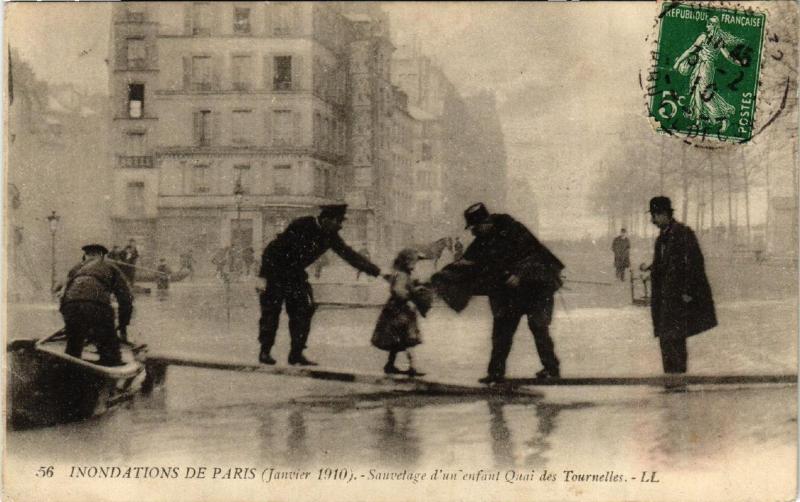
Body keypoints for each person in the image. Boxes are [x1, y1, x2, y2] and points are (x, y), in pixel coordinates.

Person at [439, 202, 564, 384]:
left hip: (537, 287)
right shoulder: (481, 241)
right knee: (502, 330)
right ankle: (495, 373)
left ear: (487, 222)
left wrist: (519, 273)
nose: (473, 232)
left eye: (475, 227)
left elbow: (535, 254)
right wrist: (446, 273)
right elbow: (467, 261)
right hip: (510, 294)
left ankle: (552, 369)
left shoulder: (514, 230)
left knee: (538, 327)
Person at [258, 204, 381, 365]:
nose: (340, 225)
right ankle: (265, 351)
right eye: (338, 221)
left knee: (303, 311)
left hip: (296, 275)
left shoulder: (331, 235)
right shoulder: (302, 224)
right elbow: (273, 249)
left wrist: (376, 271)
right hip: (275, 273)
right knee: (271, 313)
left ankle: (296, 353)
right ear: (326, 219)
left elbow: (349, 255)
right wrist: (262, 277)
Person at [647, 196, 717, 374]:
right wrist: (653, 268)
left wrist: (688, 291)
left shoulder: (683, 233)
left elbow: (695, 263)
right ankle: (672, 380)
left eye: (654, 216)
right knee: (666, 340)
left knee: (675, 340)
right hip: (664, 300)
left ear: (664, 214)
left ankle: (677, 382)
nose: (652, 220)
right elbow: (665, 264)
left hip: (678, 299)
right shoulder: (662, 238)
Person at [59, 244, 133, 366]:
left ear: (85, 256)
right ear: (102, 256)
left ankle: (69, 370)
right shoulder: (110, 266)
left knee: (73, 345)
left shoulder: (76, 268)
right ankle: (109, 370)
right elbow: (125, 298)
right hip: (97, 305)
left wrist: (67, 319)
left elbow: (63, 292)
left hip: (70, 305)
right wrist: (123, 324)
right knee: (109, 349)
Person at [371, 248, 431, 376]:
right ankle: (412, 367)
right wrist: (409, 298)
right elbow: (398, 290)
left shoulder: (400, 273)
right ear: (407, 262)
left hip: (395, 310)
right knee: (407, 338)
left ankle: (390, 365)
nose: (415, 264)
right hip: (401, 311)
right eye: (414, 261)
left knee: (396, 339)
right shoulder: (402, 275)